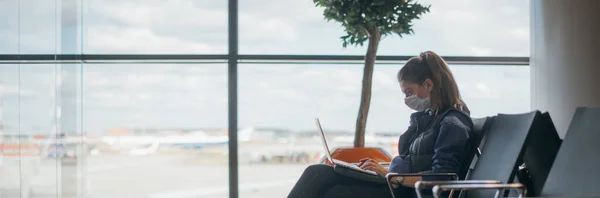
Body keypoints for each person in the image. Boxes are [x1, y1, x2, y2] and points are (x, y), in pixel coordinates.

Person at [287, 51, 474, 198]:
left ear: (428, 85)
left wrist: (391, 175)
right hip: (395, 185)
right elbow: (414, 162)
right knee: (322, 174)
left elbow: (443, 178)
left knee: (320, 176)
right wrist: (384, 171)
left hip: (403, 192)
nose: (407, 99)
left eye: (409, 92)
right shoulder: (430, 119)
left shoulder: (452, 123)